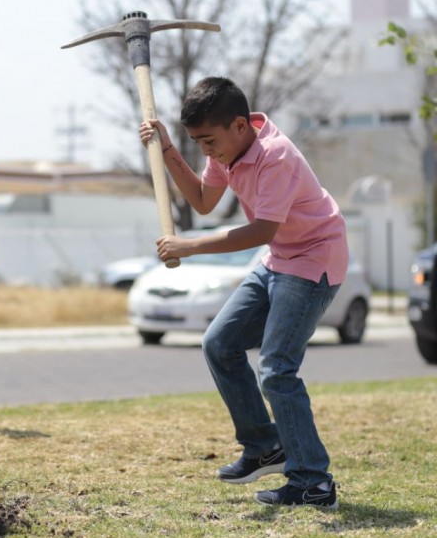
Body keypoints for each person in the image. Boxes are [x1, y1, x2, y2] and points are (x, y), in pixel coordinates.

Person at [139, 77, 347, 509]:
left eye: (208, 141)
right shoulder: (230, 152)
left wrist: (190, 247)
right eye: (197, 142)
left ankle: (314, 482)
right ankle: (264, 447)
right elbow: (201, 200)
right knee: (219, 344)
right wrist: (166, 151)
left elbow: (260, 230)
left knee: (276, 369)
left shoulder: (276, 156)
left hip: (313, 259)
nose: (206, 151)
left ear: (239, 125)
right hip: (279, 259)